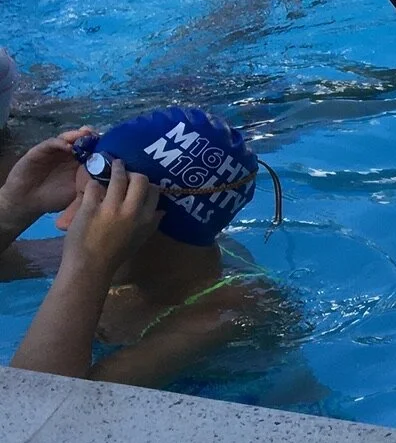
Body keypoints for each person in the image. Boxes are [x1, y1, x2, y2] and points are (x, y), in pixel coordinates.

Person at [1, 107, 282, 388]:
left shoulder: (229, 312)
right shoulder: (135, 257)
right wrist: (12, 209)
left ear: (146, 220)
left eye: (90, 206)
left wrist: (90, 263)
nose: (63, 222)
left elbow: (36, 404)